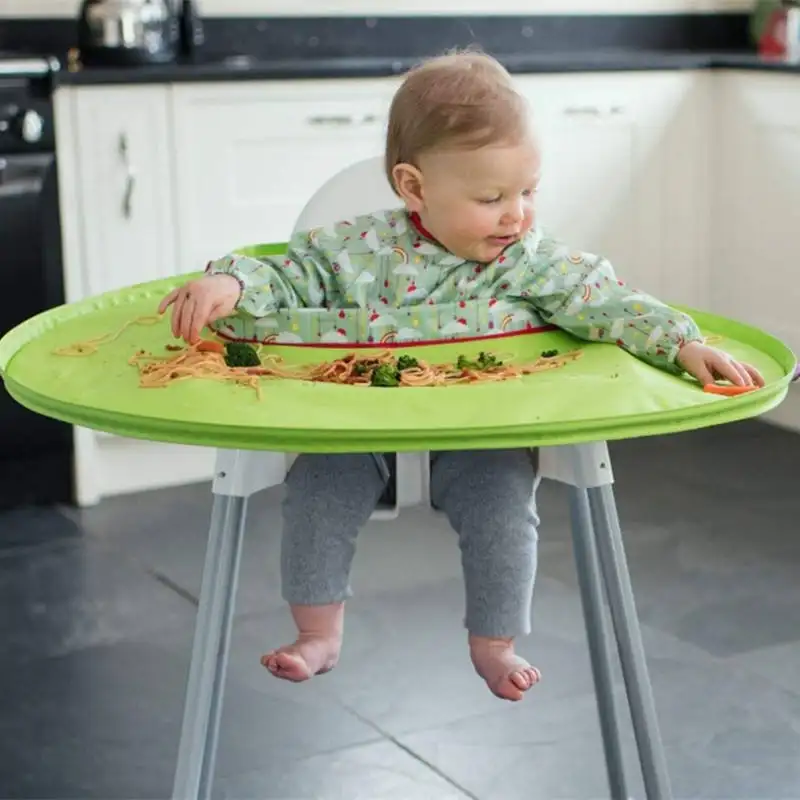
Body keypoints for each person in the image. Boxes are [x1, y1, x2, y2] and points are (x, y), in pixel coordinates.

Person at [158, 51, 763, 702]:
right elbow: (280, 275)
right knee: (314, 497)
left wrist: (681, 344)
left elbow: (605, 300)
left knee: (505, 508)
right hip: (360, 429)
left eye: (529, 192)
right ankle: (318, 633)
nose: (518, 216)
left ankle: (495, 643)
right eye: (491, 198)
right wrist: (229, 280)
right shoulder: (354, 250)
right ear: (414, 188)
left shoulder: (528, 260)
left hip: (480, 432)